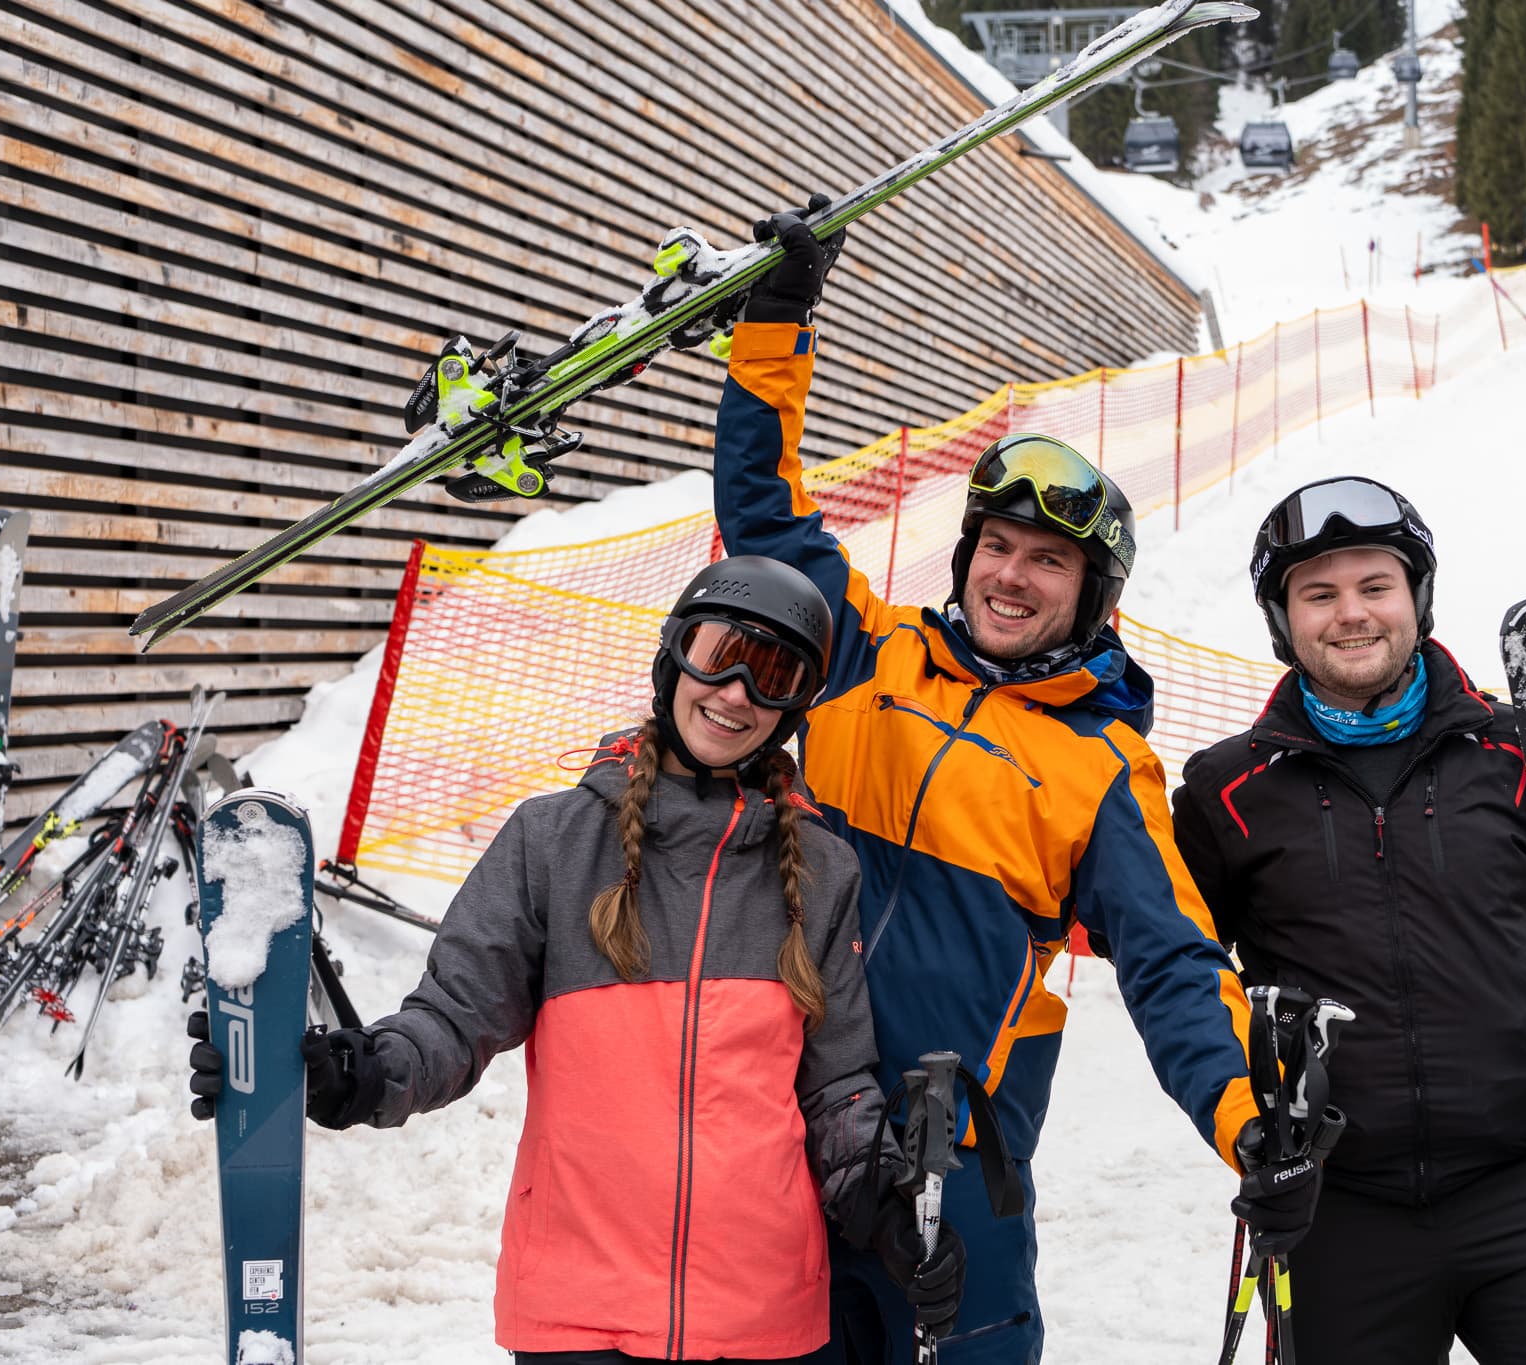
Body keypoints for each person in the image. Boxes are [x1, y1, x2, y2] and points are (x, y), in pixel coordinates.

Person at [709, 202, 1299, 1365]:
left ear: (1092, 598)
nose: (1011, 576)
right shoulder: (866, 656)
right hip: (784, 1116)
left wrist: (1242, 1118)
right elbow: (764, 519)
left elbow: (1173, 961)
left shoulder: (1101, 768)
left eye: (1049, 561)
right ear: (965, 552)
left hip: (953, 1148)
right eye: (996, 545)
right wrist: (774, 330)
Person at [188, 557, 964, 1364]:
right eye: (719, 654)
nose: (737, 691)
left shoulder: (824, 872)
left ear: (793, 707)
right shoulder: (552, 842)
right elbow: (455, 1017)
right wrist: (355, 1071)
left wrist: (884, 1205)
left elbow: (837, 1085)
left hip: (764, 1319)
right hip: (578, 1315)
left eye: (772, 674)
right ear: (673, 659)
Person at [1170, 476, 1526, 1365]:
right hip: (1343, 1199)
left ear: (1416, 598)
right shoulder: (1227, 793)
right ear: (1284, 620)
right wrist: (1249, 1127)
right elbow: (1183, 979)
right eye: (1318, 594)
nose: (1350, 613)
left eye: (1374, 586)